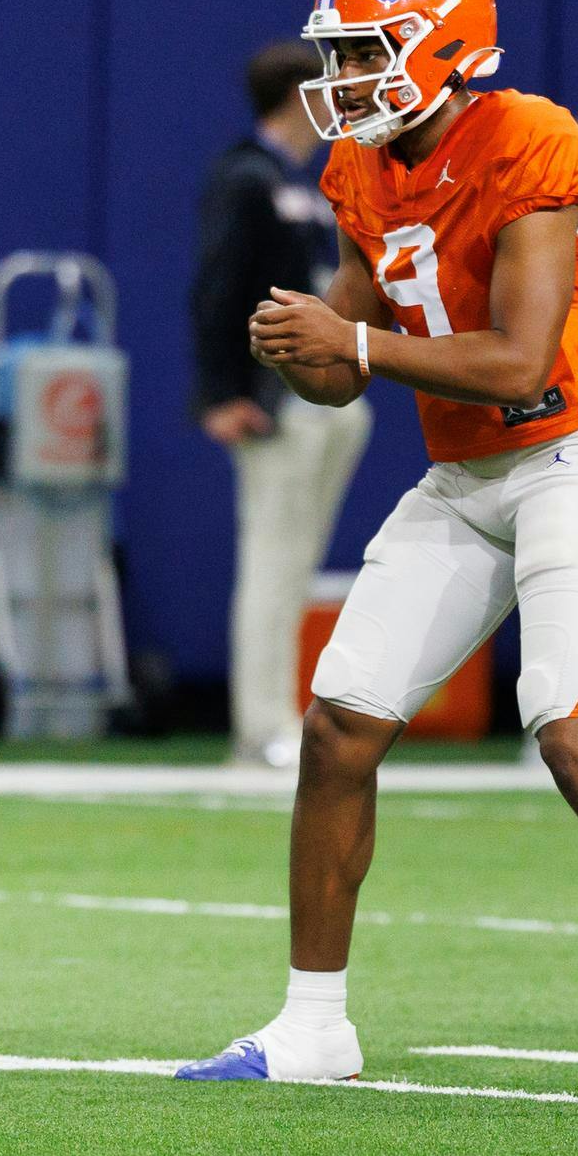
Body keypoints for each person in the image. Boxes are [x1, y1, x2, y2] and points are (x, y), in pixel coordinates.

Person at [174, 0, 578, 1098]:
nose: (342, 80)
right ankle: (312, 1024)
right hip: (464, 478)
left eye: (364, 53)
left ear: (442, 44)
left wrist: (349, 339)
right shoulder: (359, 163)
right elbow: (351, 361)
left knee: (570, 734)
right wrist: (301, 347)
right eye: (337, 56)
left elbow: (512, 360)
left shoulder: (529, 137)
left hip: (572, 454)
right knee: (340, 724)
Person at [189, 41, 372, 768]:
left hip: (324, 397)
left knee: (297, 564)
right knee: (271, 559)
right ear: (299, 92)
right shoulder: (244, 176)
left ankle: (282, 714)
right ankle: (259, 724)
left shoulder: (300, 180)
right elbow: (216, 288)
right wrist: (222, 392)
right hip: (274, 401)